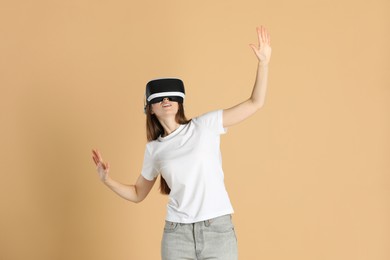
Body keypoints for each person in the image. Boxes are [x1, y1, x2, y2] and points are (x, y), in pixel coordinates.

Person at [92, 25, 271, 260]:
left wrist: (263, 64)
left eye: (172, 96)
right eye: (159, 98)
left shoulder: (205, 125)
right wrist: (107, 181)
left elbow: (254, 103)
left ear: (180, 103)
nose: (166, 100)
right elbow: (137, 193)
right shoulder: (154, 149)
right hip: (177, 236)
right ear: (150, 109)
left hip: (217, 230)